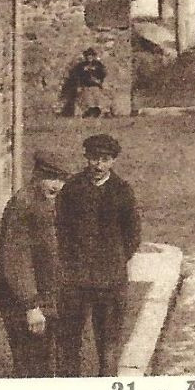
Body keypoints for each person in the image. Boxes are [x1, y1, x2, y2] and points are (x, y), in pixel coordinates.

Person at [54, 134, 141, 377]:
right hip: (75, 280)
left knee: (108, 345)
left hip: (110, 281)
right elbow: (60, 227)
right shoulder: (72, 188)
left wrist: (113, 260)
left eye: (104, 160)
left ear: (113, 161)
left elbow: (133, 235)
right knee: (69, 341)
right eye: (93, 159)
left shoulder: (122, 191)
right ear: (86, 158)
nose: (98, 165)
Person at [0, 148, 69, 377]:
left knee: (43, 363)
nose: (55, 185)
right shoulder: (23, 204)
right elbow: (16, 259)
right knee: (31, 367)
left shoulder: (50, 201)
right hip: (22, 301)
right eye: (50, 178)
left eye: (61, 179)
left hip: (43, 296)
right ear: (36, 176)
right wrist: (31, 306)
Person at [59, 48, 108, 118]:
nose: (89, 57)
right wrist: (80, 84)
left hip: (95, 86)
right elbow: (77, 75)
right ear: (85, 56)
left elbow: (102, 74)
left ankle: (99, 112)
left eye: (91, 55)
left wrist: (99, 80)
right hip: (85, 86)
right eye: (88, 55)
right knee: (87, 98)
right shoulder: (81, 65)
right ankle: (88, 112)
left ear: (93, 56)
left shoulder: (98, 65)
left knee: (98, 97)